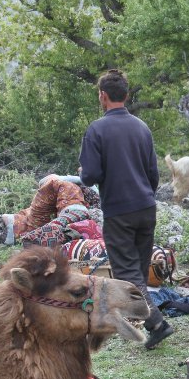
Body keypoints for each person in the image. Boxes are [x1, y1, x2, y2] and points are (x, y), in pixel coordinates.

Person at [79, 69, 173, 349]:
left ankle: (157, 323)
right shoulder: (142, 127)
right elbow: (153, 174)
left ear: (103, 96)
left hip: (119, 210)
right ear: (127, 95)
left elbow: (90, 175)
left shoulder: (97, 129)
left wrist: (84, 171)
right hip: (146, 206)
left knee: (126, 273)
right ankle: (152, 322)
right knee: (139, 270)